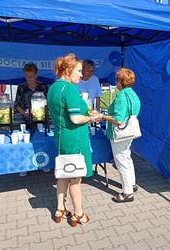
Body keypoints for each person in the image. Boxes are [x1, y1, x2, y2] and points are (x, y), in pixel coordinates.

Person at [47, 53, 98, 227]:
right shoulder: (69, 89)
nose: (81, 74)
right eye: (78, 70)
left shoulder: (54, 87)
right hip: (74, 138)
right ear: (68, 70)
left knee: (63, 173)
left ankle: (60, 208)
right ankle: (78, 213)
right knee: (75, 178)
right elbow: (76, 119)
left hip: (61, 137)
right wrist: (92, 118)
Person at [101, 68, 141, 203]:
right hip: (130, 131)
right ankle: (132, 184)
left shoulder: (121, 96)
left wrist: (103, 117)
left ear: (120, 81)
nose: (115, 81)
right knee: (127, 158)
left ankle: (128, 193)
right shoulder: (133, 94)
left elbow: (118, 120)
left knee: (121, 161)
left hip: (120, 133)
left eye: (117, 79)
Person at [14, 63, 49, 176]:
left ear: (36, 74)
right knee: (27, 143)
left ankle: (43, 163)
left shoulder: (43, 87)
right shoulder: (21, 87)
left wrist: (43, 110)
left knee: (41, 142)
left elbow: (50, 102)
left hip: (42, 121)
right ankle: (25, 166)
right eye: (26, 76)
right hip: (27, 121)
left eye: (31, 76)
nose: (29, 78)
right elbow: (16, 105)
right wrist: (24, 112)